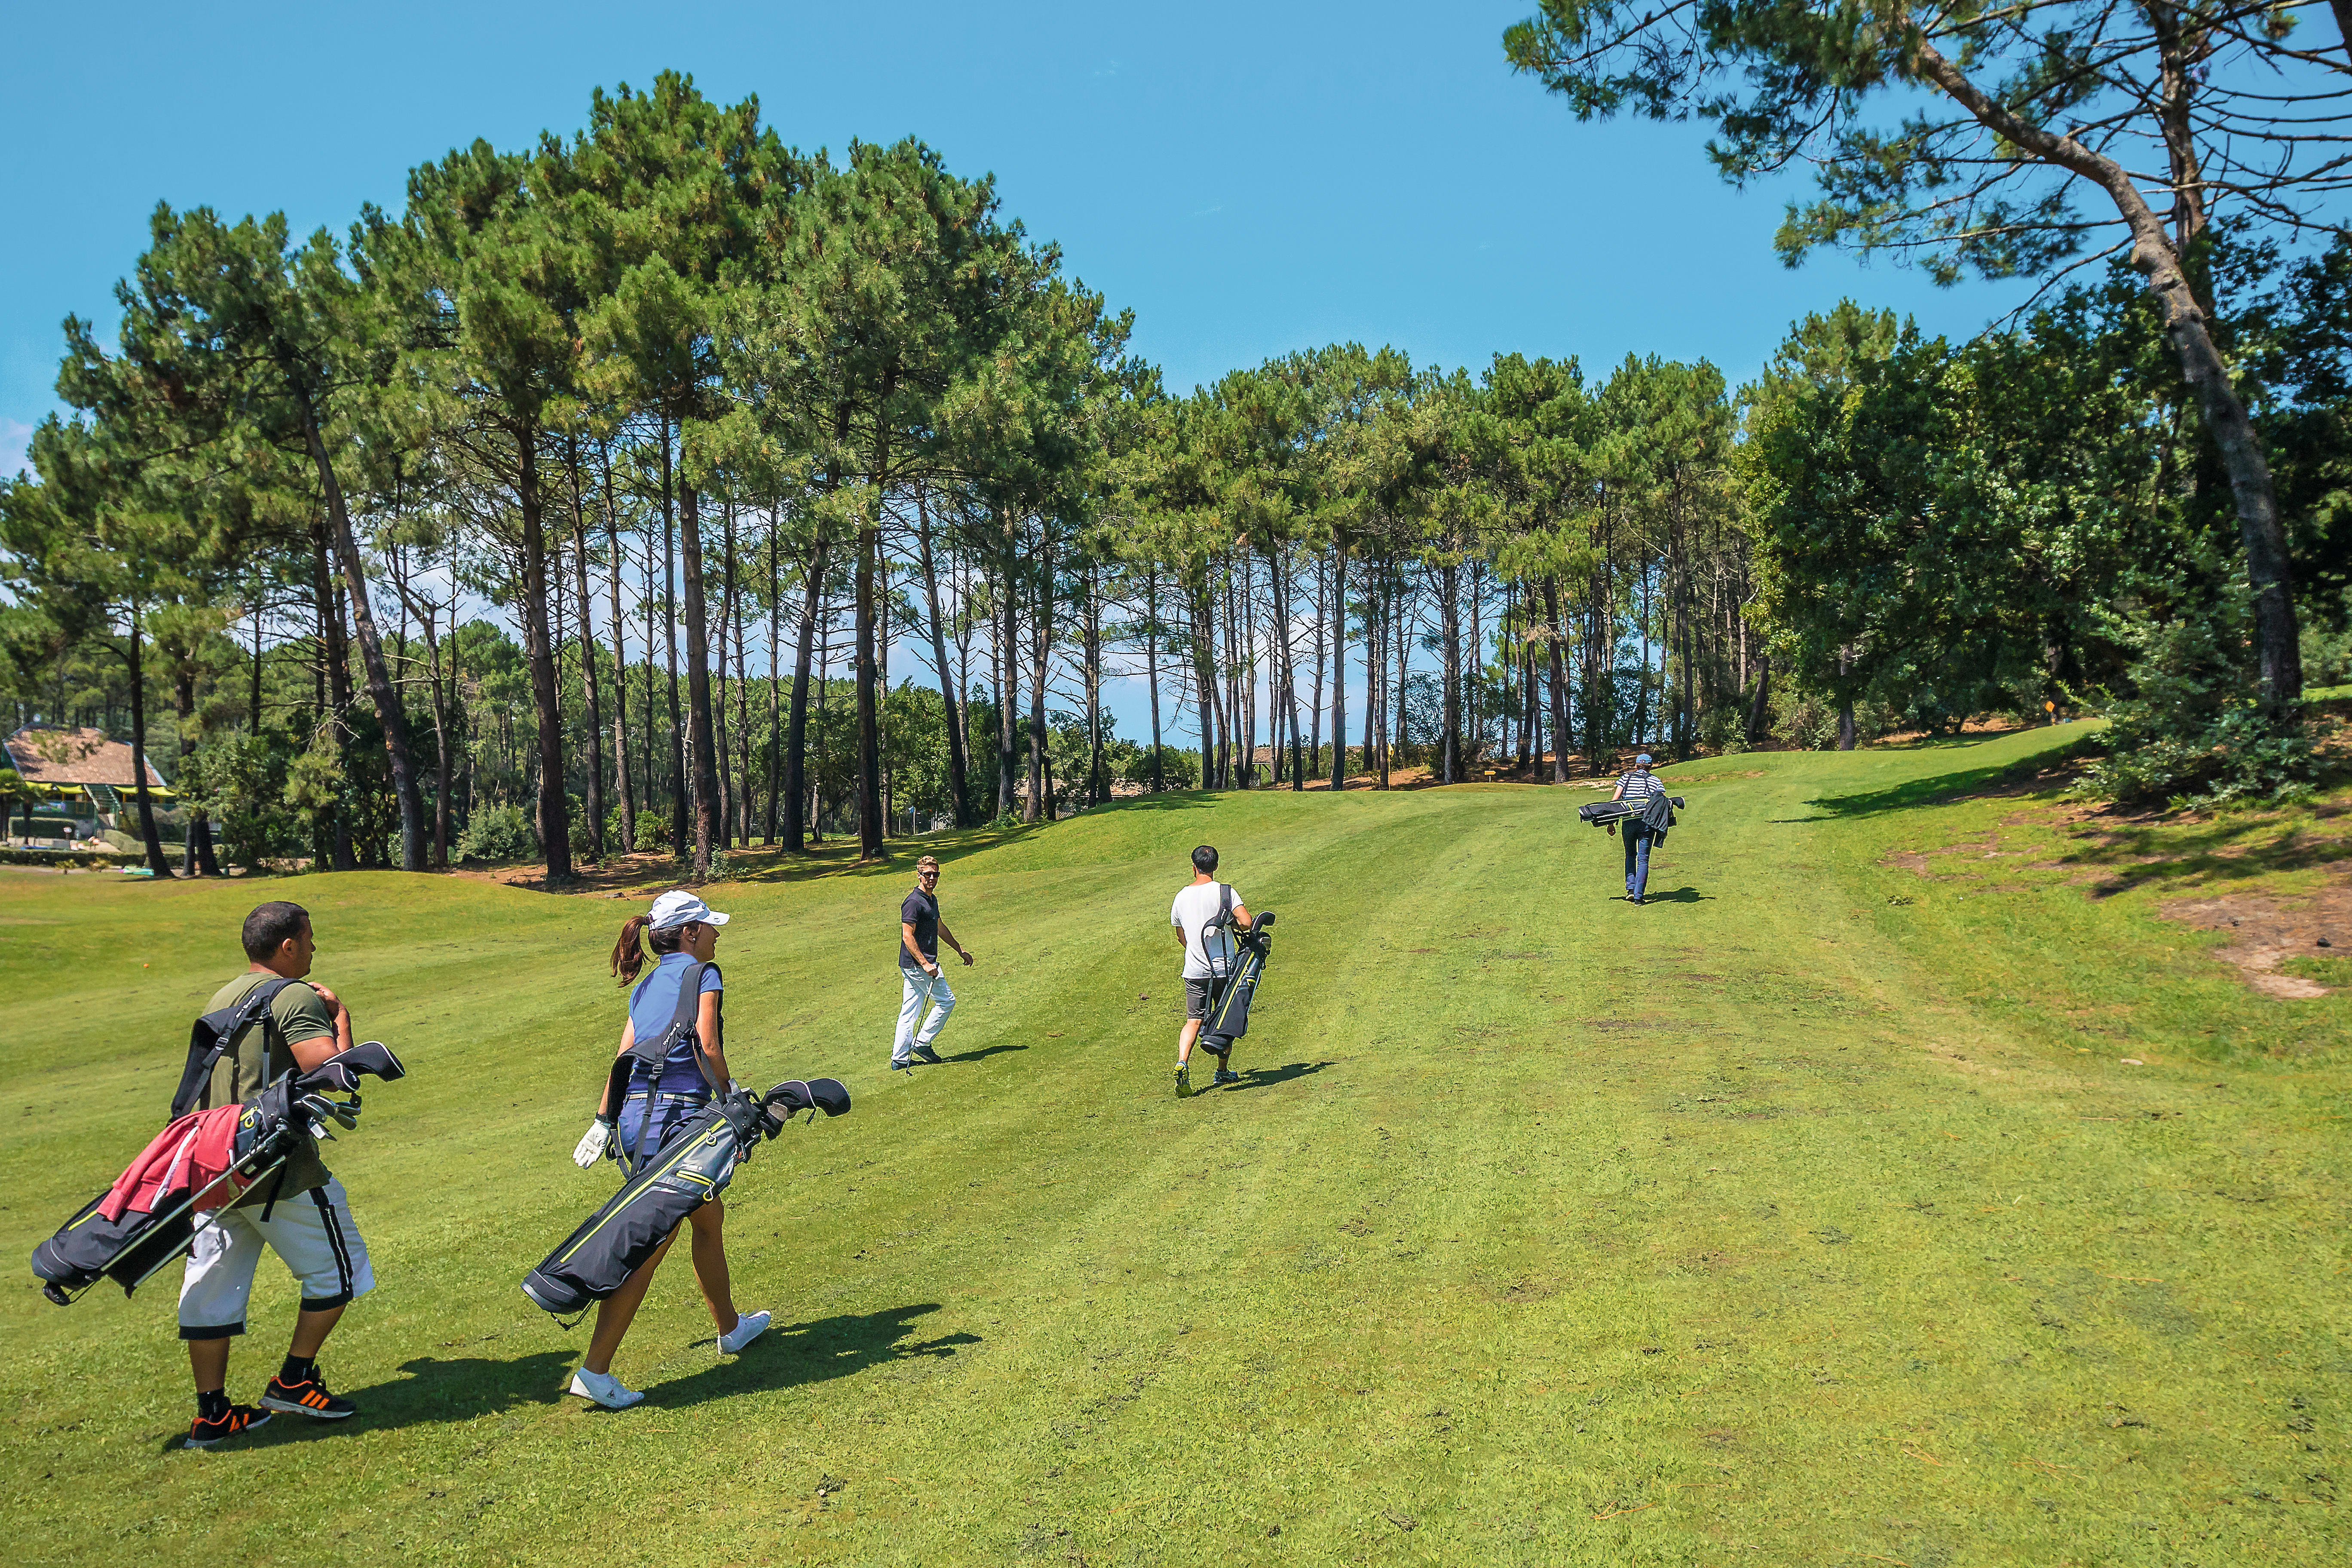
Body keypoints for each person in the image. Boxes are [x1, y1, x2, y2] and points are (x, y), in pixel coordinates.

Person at [178, 900, 374, 1448]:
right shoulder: (294, 996)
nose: (315, 949)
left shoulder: (224, 995)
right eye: (310, 939)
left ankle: (212, 1414)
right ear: (287, 946)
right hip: (278, 1170)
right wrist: (340, 1019)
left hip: (213, 1169)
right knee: (343, 1272)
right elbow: (333, 1074)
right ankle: (294, 1380)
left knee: (210, 1295)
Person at [565, 889, 769, 1409]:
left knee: (708, 1217)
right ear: (689, 933)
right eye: (709, 926)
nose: (717, 934)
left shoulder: (650, 982)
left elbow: (624, 1057)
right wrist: (732, 1099)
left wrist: (601, 1120)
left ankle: (730, 1328)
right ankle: (594, 1370)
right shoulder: (705, 975)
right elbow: (706, 1042)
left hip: (639, 1119)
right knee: (652, 1244)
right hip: (677, 1122)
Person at [1170, 844, 1254, 1098]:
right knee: (1225, 1019)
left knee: (1193, 1020)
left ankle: (1183, 1062)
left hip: (1194, 970)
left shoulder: (1181, 897)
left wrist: (1194, 948)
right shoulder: (1225, 893)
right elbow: (1247, 922)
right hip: (1223, 970)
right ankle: (1222, 1070)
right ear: (1216, 866)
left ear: (1193, 867)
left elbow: (1181, 935)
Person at [891, 854, 974, 1072]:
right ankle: (922, 1043)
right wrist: (926, 964)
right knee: (947, 1001)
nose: (932, 878)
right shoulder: (913, 902)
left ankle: (899, 1058)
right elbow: (907, 936)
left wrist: (959, 949)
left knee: (909, 1010)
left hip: (916, 965)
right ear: (919, 875)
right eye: (927, 874)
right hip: (919, 965)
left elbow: (939, 926)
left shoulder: (932, 900)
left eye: (935, 875)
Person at [1609, 752, 1666, 904]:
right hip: (1647, 824)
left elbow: (1614, 802)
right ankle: (1639, 897)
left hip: (1628, 822)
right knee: (1643, 859)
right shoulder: (1655, 781)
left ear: (1635, 766)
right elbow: (1660, 803)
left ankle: (1630, 889)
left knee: (1630, 855)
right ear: (1651, 766)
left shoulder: (1626, 778)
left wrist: (1611, 823)